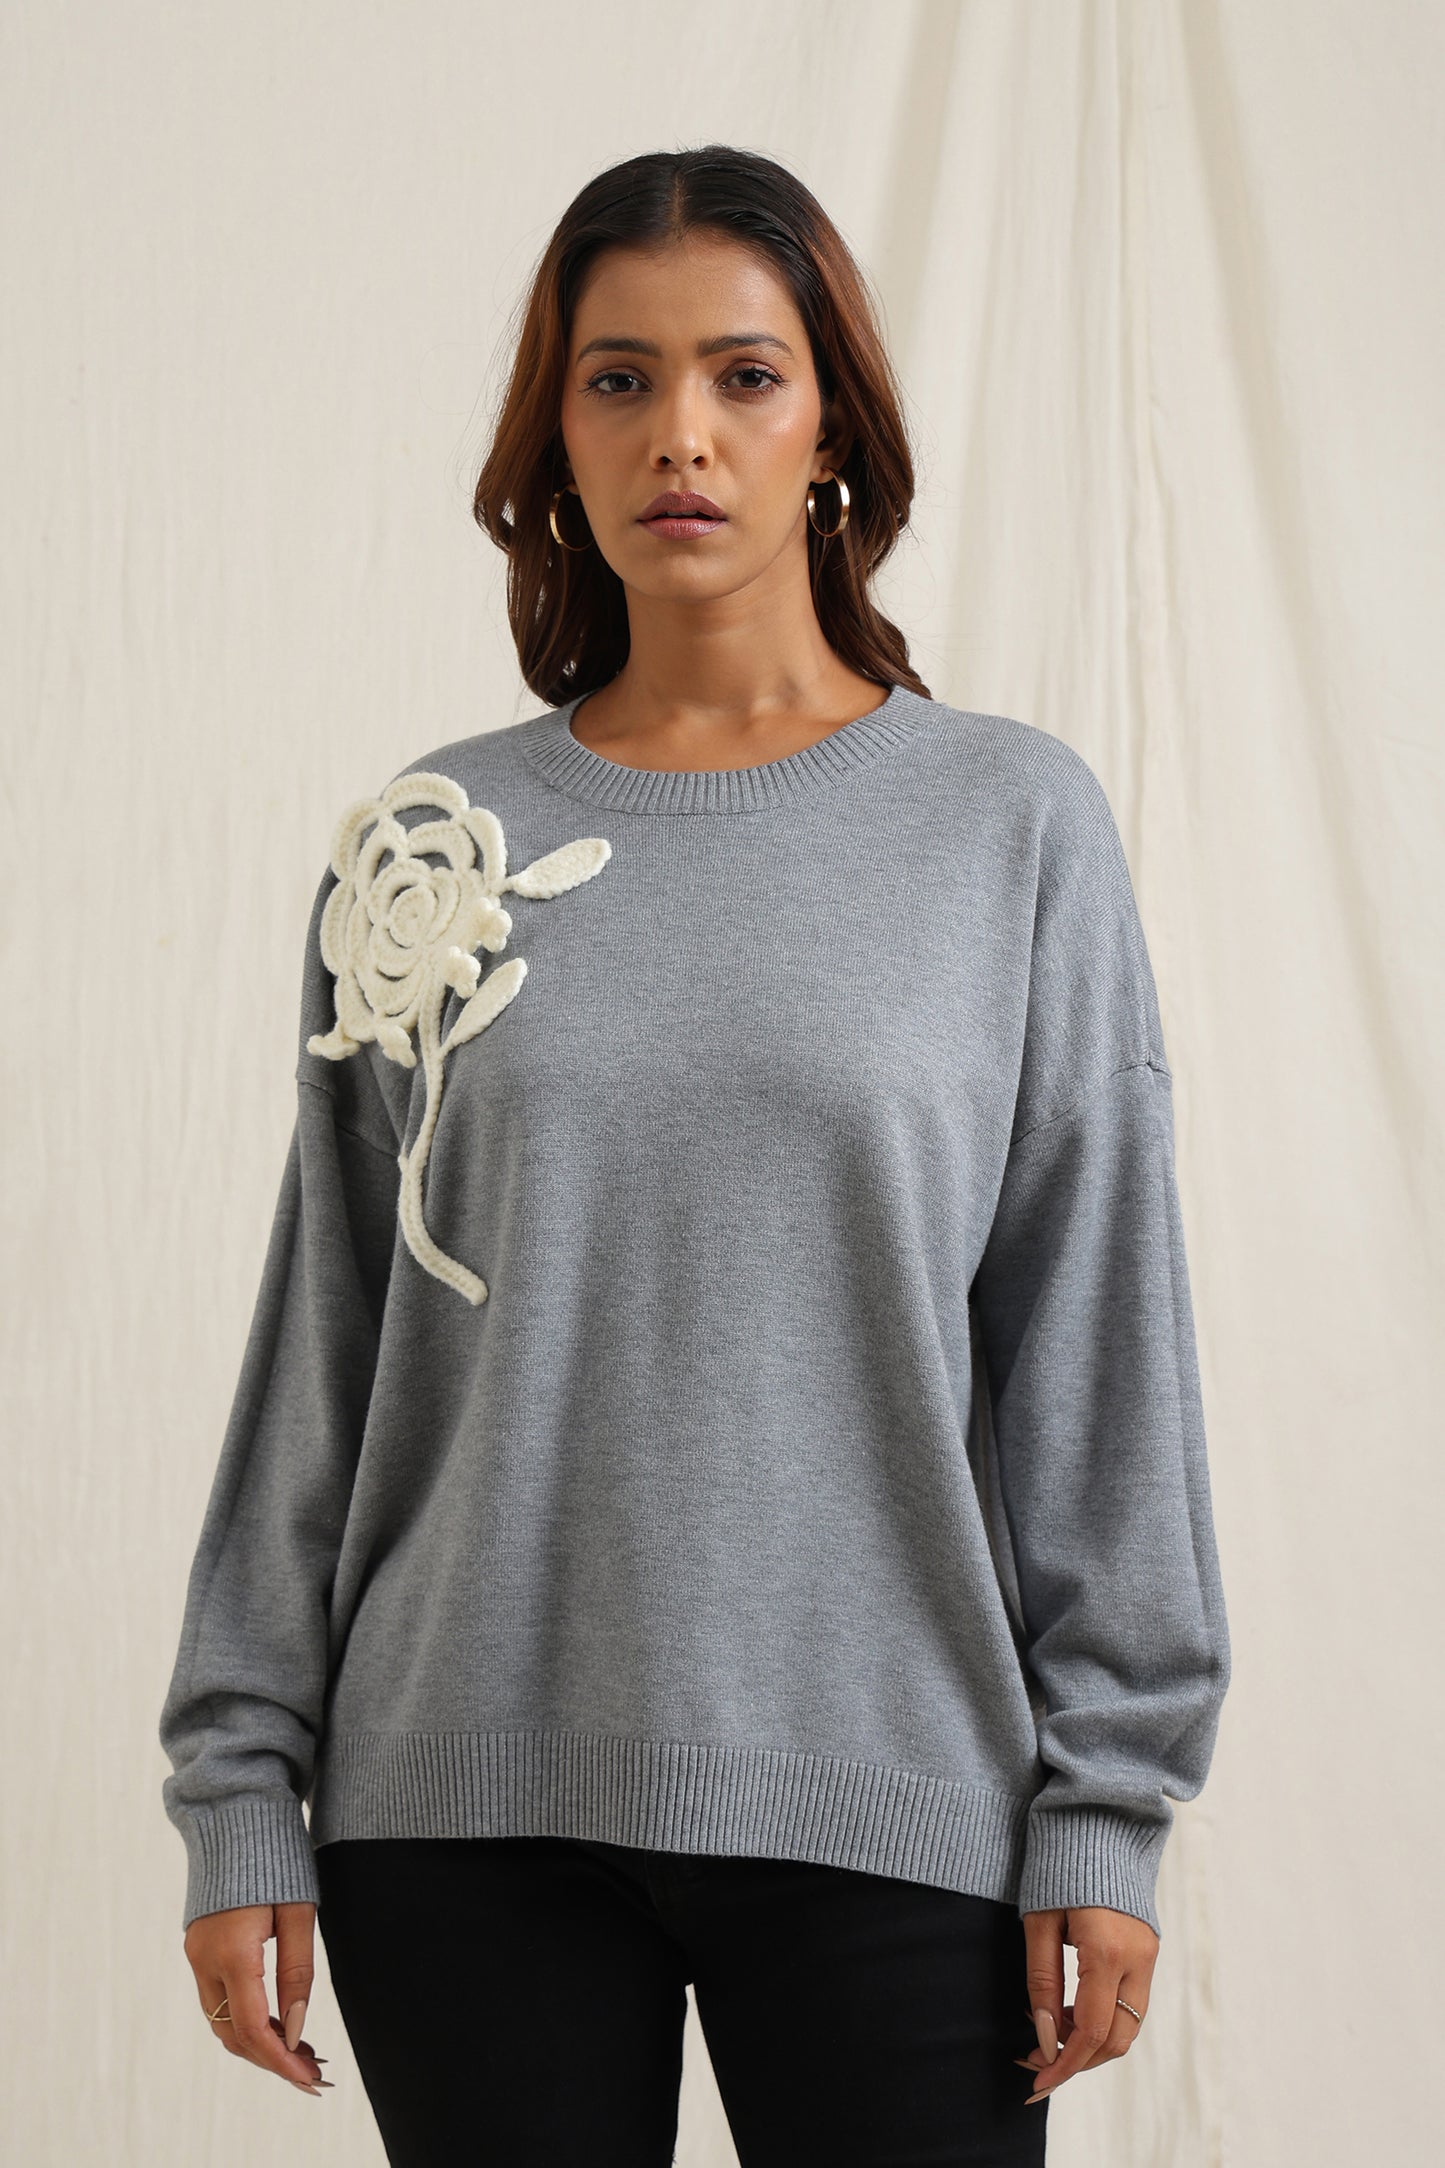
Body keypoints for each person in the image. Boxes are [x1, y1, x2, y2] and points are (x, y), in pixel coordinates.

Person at [159, 144, 1231, 2166]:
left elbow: (1095, 1334)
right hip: (457, 1808)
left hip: (895, 1794)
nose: (681, 435)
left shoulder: (1007, 826)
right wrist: (238, 1783)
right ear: (553, 437)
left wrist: (1109, 1795)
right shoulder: (428, 847)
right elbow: (329, 1341)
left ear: (833, 430)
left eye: (744, 376)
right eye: (618, 379)